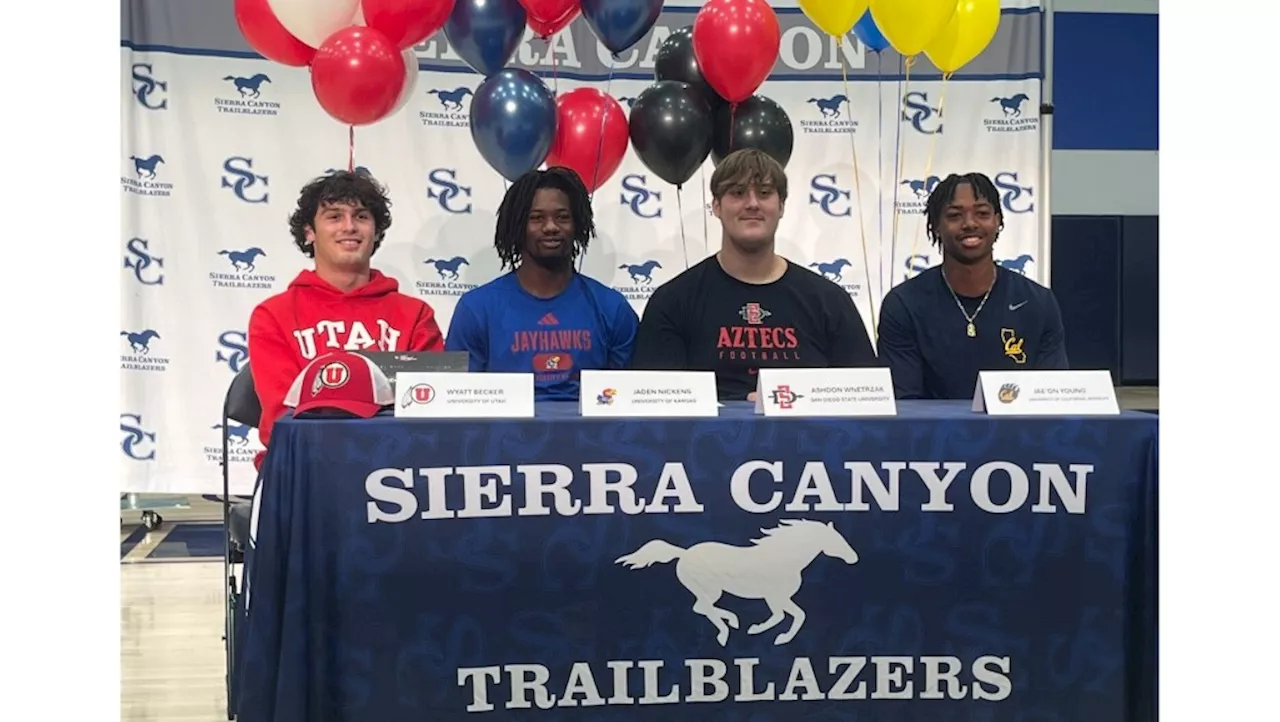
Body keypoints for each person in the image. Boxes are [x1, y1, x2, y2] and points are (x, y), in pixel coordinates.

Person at [629, 148, 878, 401]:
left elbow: (864, 398)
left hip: (807, 439)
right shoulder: (673, 301)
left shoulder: (831, 301)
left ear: (781, 206)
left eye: (765, 193)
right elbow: (656, 408)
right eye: (737, 193)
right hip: (708, 440)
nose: (752, 203)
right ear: (716, 206)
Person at [248, 170, 445, 467]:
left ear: (376, 231)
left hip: (396, 465)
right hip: (303, 467)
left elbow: (429, 407)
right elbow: (283, 415)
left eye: (362, 216)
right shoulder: (273, 315)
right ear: (309, 232)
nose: (349, 227)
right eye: (334, 216)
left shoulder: (415, 314)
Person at [444, 166, 638, 400]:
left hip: (591, 437)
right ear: (516, 227)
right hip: (502, 436)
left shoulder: (613, 308)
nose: (551, 227)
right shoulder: (476, 309)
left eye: (562, 217)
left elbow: (630, 402)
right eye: (536, 218)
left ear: (577, 225)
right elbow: (457, 402)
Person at [876, 172, 1068, 399]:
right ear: (936, 225)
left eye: (982, 213)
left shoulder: (1038, 302)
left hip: (1018, 434)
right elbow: (905, 405)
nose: (969, 223)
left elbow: (1053, 399)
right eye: (955, 215)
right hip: (933, 434)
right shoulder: (903, 305)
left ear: (998, 221)